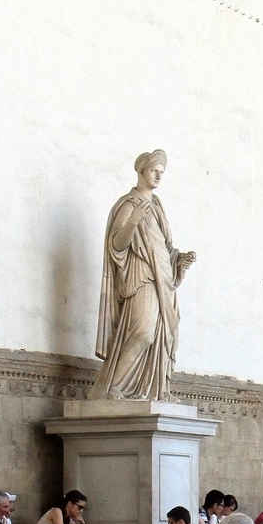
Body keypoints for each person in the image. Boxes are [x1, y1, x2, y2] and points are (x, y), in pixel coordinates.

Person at [89, 149, 196, 400]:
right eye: (154, 171)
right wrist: (133, 221)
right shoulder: (129, 205)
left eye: (161, 172)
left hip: (163, 279)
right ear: (140, 171)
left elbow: (163, 248)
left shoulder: (157, 206)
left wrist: (179, 260)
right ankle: (114, 387)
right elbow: (117, 244)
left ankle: (158, 390)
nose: (158, 176)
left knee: (162, 335)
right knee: (144, 332)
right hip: (142, 278)